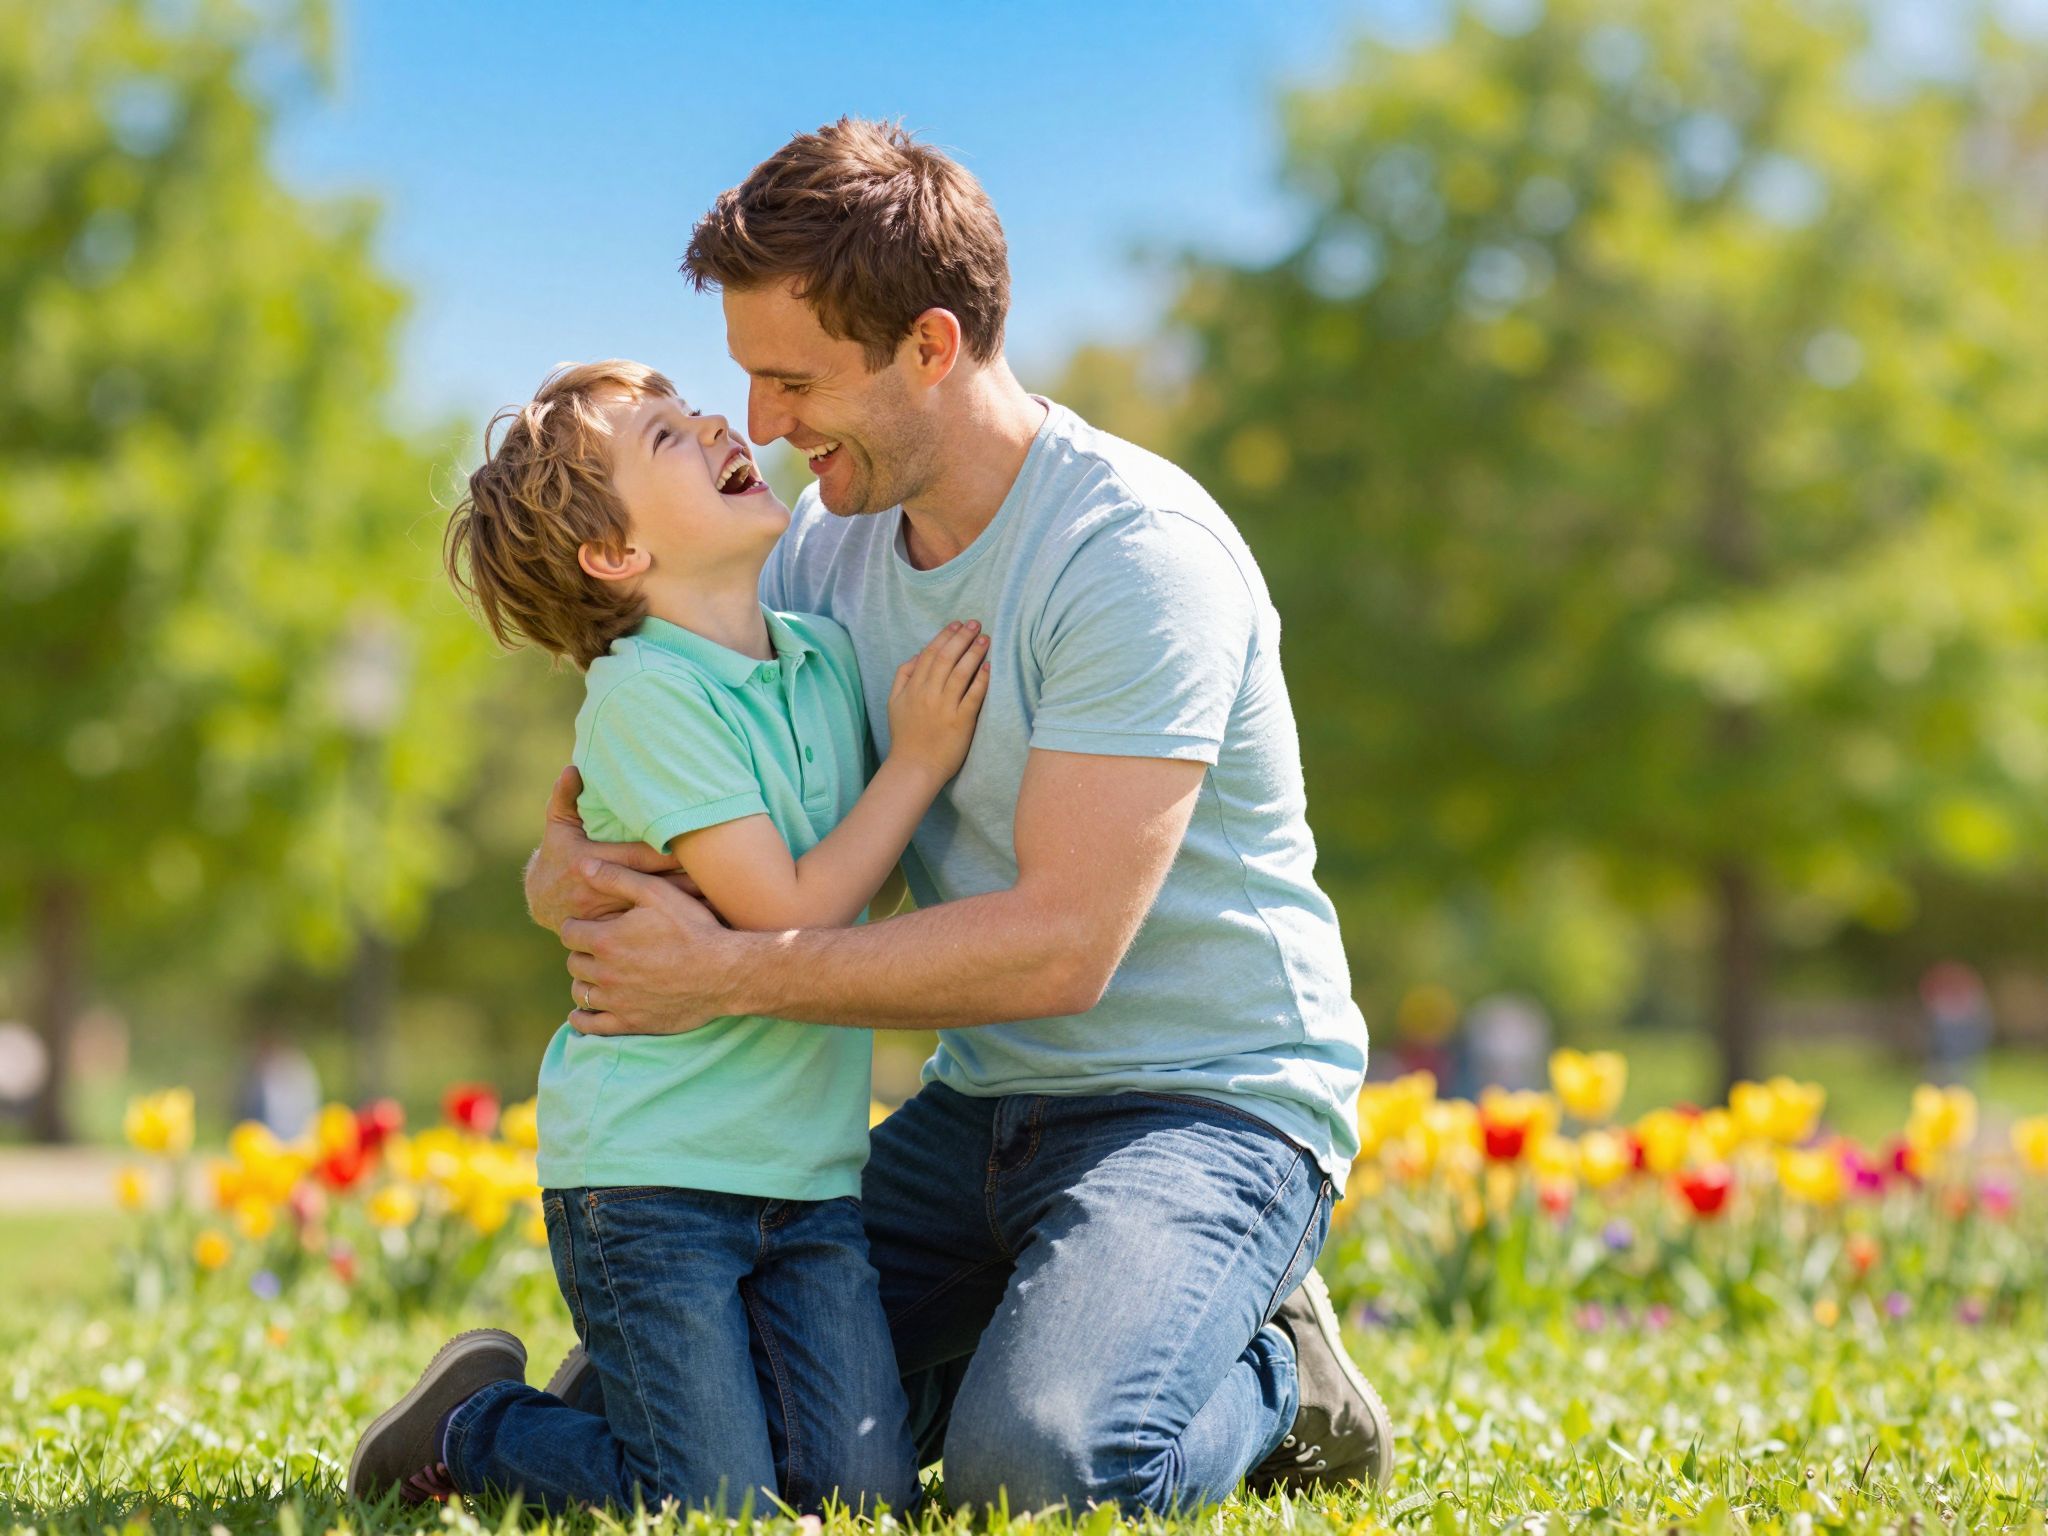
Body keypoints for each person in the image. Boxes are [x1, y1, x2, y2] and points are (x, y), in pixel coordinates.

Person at [524, 120, 1392, 1514]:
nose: (759, 425)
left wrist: (728, 975)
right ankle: (1081, 1326)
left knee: (1040, 1470)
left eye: (794, 380)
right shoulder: (817, 553)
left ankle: (1273, 1367)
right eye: (747, 378)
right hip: (979, 1104)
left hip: (1199, 1104)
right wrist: (560, 876)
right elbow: (686, 772)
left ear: (931, 347)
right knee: (647, 1425)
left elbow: (1063, 949)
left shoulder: (1131, 559)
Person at [347, 358, 989, 1514]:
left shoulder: (821, 662)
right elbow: (792, 914)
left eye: (690, 414)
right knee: (713, 1511)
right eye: (663, 440)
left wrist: (892, 787)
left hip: (807, 1175)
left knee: (856, 1494)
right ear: (615, 558)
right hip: (650, 1182)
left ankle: (623, 1415)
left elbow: (855, 893)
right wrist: (921, 761)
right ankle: (474, 1425)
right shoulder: (644, 698)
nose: (711, 424)